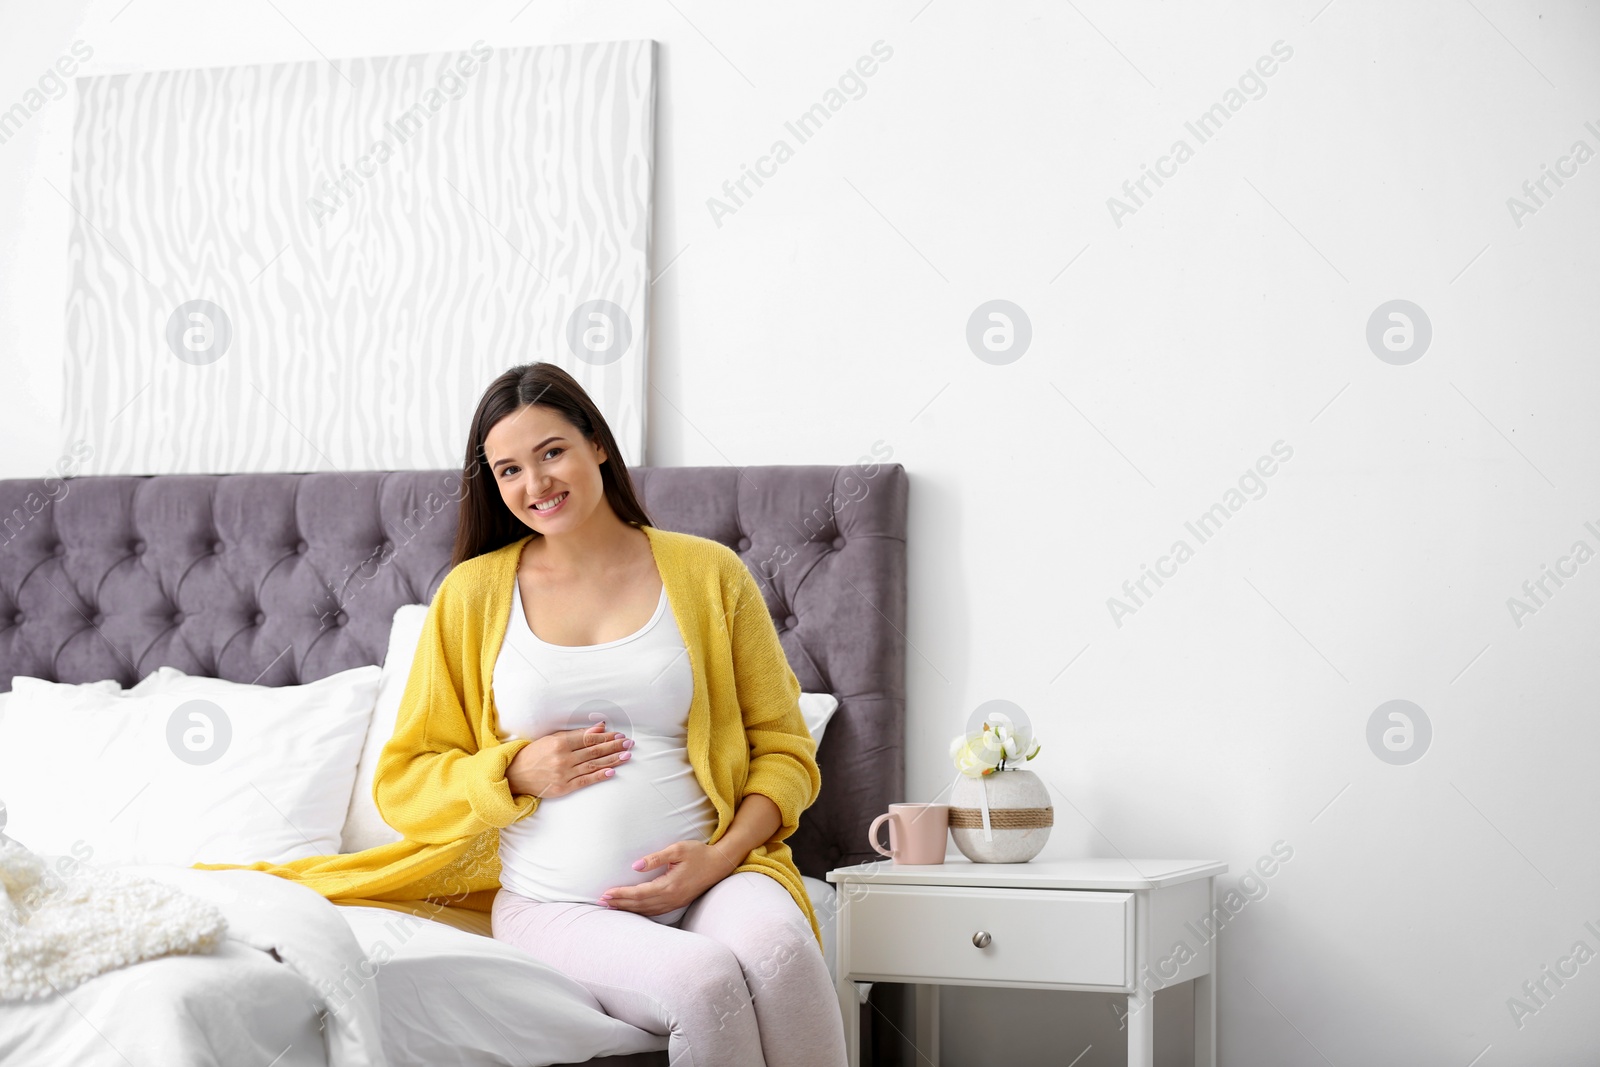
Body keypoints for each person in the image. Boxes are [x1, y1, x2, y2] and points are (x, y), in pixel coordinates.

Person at [197, 361, 848, 1067]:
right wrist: (512, 770)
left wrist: (716, 859)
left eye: (551, 452)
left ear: (597, 443)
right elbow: (404, 781)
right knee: (704, 982)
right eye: (509, 469)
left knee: (784, 953)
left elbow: (783, 747)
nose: (535, 484)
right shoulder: (472, 595)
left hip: (716, 876)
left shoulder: (709, 573)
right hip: (556, 904)